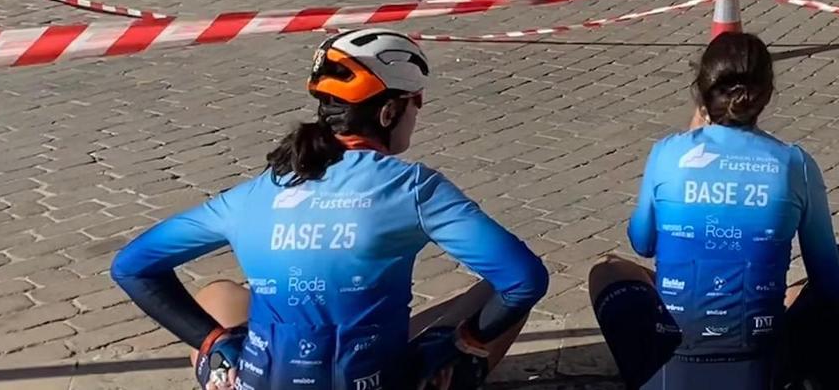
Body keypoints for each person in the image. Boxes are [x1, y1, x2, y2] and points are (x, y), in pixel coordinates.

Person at [111, 28, 547, 390]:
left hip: (261, 380)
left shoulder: (254, 194)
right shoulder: (414, 189)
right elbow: (524, 279)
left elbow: (132, 267)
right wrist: (465, 340)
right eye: (417, 103)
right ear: (390, 111)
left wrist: (211, 342)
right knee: (495, 294)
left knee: (218, 294)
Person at [589, 32, 839, 390]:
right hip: (758, 359)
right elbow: (828, 280)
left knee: (607, 269)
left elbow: (642, 242)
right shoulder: (793, 163)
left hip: (668, 360)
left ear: (702, 94)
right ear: (765, 96)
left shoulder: (667, 153)